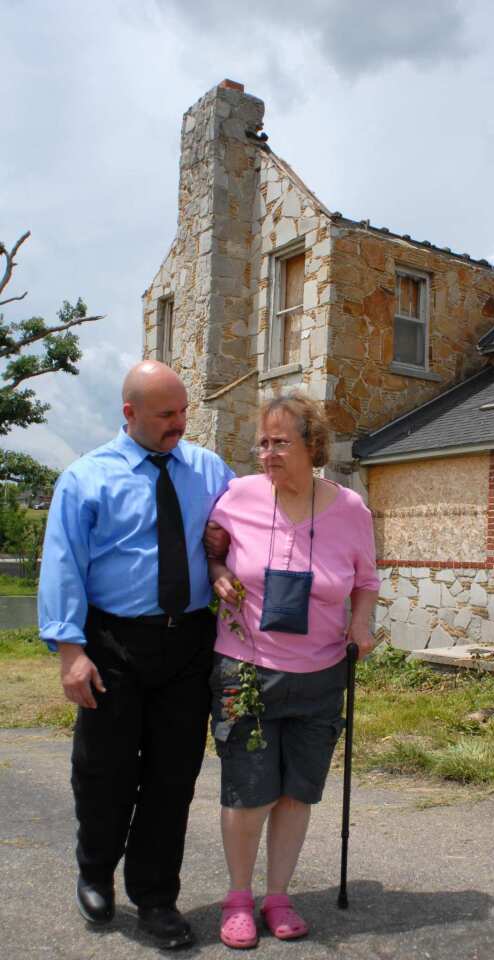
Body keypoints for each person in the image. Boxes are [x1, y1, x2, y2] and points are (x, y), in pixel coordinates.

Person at [38, 360, 235, 950]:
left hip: (187, 642)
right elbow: (63, 565)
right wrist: (71, 652)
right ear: (130, 413)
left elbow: (252, 522)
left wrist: (228, 547)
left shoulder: (208, 468)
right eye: (165, 415)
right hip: (112, 643)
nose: (180, 424)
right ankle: (96, 871)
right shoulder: (85, 478)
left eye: (183, 412)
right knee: (105, 771)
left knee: (173, 778)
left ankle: (155, 897)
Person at [206, 392, 379, 950]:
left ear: (313, 446)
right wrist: (215, 572)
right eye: (263, 442)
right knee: (248, 792)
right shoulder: (235, 498)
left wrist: (361, 624)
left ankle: (277, 896)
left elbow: (365, 583)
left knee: (294, 794)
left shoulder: (351, 510)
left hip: (322, 673)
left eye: (281, 442)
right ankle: (238, 898)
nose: (268, 453)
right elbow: (207, 550)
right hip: (245, 668)